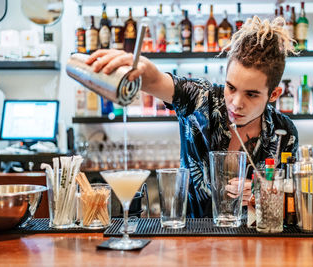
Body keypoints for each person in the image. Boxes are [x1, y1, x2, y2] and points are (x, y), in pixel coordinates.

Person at [86, 16, 298, 218]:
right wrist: (145, 73)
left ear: (273, 95)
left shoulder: (283, 133)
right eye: (230, 87)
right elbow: (157, 81)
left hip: (257, 246)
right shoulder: (201, 98)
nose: (235, 102)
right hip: (191, 238)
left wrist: (261, 194)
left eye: (251, 94)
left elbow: (292, 204)